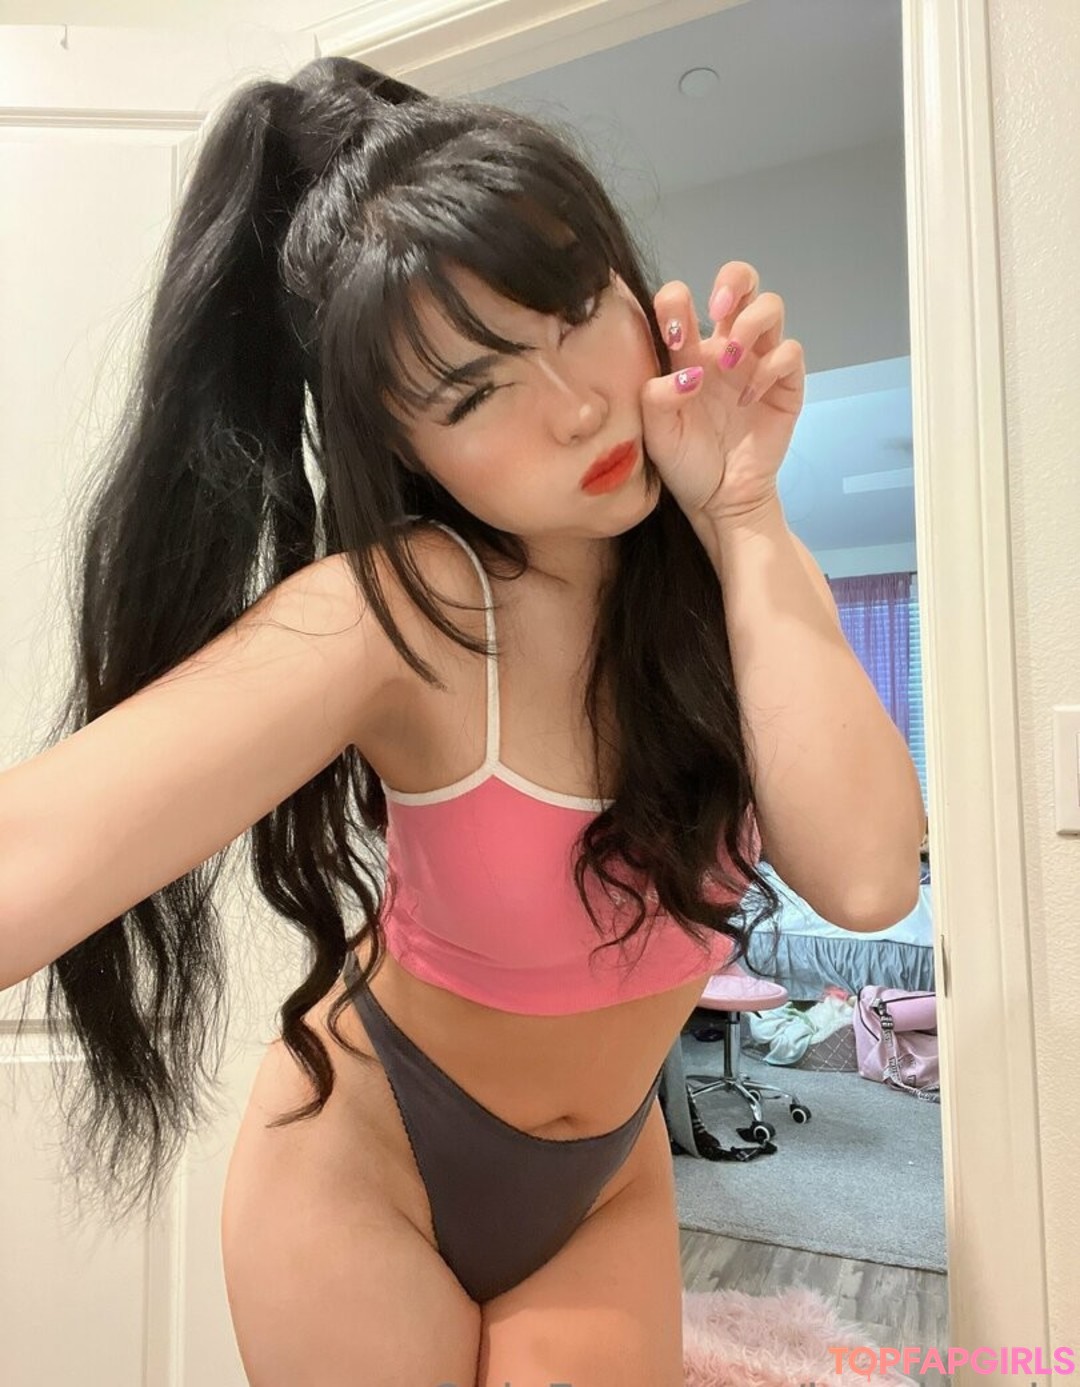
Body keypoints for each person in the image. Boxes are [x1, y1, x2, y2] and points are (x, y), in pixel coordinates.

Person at [0, 55, 926, 1387]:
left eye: (578, 309)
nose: (578, 402)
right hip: (369, 1164)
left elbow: (870, 874)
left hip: (605, 1184)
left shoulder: (732, 580)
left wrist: (744, 516)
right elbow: (31, 855)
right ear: (402, 448)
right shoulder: (404, 608)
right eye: (477, 392)